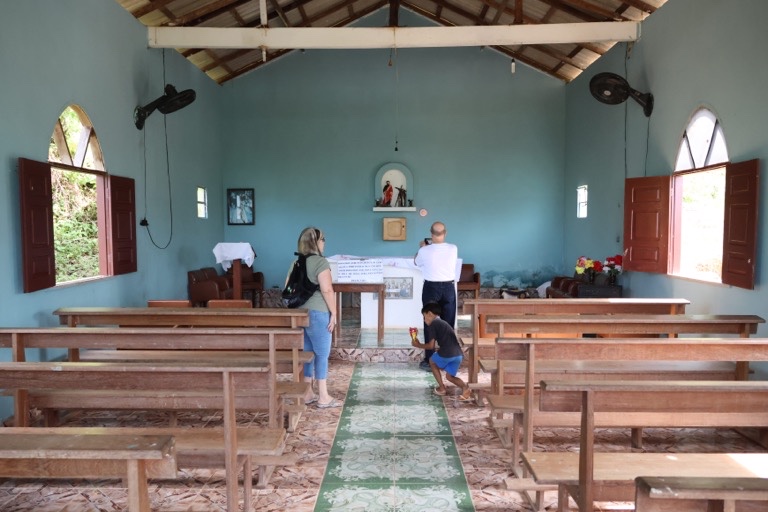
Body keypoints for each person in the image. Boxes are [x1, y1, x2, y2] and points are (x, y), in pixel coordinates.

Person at [286, 227, 342, 408]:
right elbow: (327, 289)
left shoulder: (296, 262)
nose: (324, 242)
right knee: (322, 354)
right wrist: (334, 313)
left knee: (308, 353)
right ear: (316, 242)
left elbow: (288, 287)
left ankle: (308, 392)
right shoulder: (320, 262)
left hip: (299, 314)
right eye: (323, 239)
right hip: (318, 313)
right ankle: (323, 396)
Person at [414, 221, 458, 370]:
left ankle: (429, 360)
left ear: (431, 234)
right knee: (448, 325)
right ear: (445, 233)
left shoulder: (425, 251)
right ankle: (448, 359)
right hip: (448, 287)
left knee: (430, 324)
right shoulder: (453, 249)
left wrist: (422, 248)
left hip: (431, 287)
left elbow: (416, 262)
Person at [411, 302, 472, 401]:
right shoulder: (442, 323)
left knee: (432, 361)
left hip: (448, 353)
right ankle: (465, 388)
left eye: (424, 316)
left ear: (430, 313)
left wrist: (418, 345)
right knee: (449, 376)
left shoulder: (434, 324)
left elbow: (431, 346)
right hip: (458, 355)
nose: (424, 319)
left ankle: (442, 388)